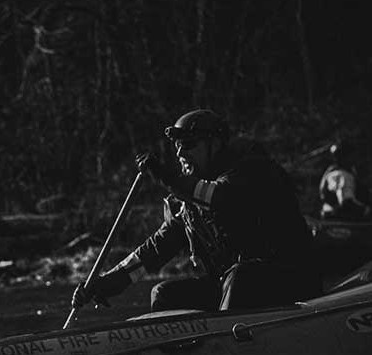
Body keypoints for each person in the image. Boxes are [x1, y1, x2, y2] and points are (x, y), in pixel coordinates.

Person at [71, 109, 321, 313]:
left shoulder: (253, 171)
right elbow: (155, 251)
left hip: (289, 280)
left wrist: (166, 176)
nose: (180, 153)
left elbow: (220, 197)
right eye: (177, 147)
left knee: (241, 276)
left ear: (215, 144)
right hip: (234, 290)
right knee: (163, 293)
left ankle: (227, 350)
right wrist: (106, 283)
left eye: (189, 145)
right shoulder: (189, 200)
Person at [319, 142, 371, 221]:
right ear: (345, 157)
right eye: (353, 155)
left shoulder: (335, 172)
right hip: (341, 221)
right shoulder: (342, 175)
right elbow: (346, 203)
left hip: (332, 218)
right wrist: (367, 211)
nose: (356, 158)